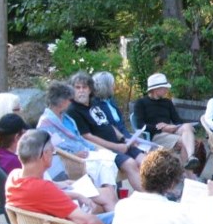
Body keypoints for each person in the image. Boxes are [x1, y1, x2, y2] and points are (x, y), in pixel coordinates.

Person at [5, 129, 113, 224]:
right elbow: (87, 221)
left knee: (117, 216)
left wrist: (76, 195)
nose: (53, 154)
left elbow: (43, 196)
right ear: (45, 155)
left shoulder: (14, 178)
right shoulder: (43, 188)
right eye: (52, 151)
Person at [37, 82, 119, 211]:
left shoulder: (66, 118)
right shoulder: (46, 123)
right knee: (104, 163)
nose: (71, 102)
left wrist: (95, 148)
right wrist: (74, 155)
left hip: (84, 153)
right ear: (62, 102)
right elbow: (51, 151)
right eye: (69, 99)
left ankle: (109, 193)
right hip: (71, 160)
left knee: (108, 159)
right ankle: (110, 198)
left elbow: (78, 138)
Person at [67, 71, 145, 191]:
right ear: (72, 90)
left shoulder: (94, 103)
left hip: (119, 144)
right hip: (104, 150)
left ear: (90, 89)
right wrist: (116, 146)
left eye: (84, 87)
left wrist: (124, 139)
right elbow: (87, 137)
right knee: (131, 164)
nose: (81, 90)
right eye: (77, 88)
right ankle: (148, 197)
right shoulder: (73, 110)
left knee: (146, 160)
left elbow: (109, 125)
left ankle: (161, 193)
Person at [133, 72, 200, 172]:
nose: (167, 90)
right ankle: (187, 175)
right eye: (164, 88)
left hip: (171, 131)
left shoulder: (167, 102)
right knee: (186, 142)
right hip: (156, 135)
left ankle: (190, 158)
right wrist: (160, 127)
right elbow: (140, 125)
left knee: (186, 126)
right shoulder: (141, 103)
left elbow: (177, 121)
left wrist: (170, 126)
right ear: (156, 89)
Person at [92, 71, 132, 138]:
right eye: (112, 84)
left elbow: (121, 124)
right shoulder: (95, 105)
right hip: (113, 141)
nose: (114, 86)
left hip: (125, 136)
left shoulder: (111, 100)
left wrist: (130, 137)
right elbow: (107, 128)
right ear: (106, 86)